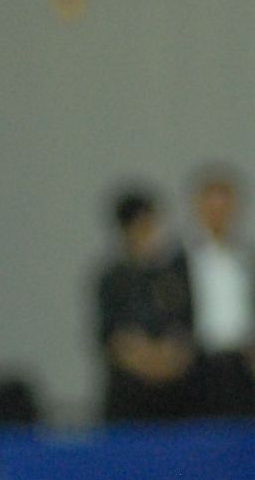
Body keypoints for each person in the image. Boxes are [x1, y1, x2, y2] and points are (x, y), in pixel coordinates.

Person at [94, 184, 197, 422]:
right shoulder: (112, 279)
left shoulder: (176, 273)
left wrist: (169, 357)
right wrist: (144, 359)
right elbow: (109, 335)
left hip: (175, 390)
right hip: (129, 391)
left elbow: (186, 327)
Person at [181, 163, 255, 416]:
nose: (217, 213)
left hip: (243, 363)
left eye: (224, 206)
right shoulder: (181, 260)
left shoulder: (246, 258)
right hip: (197, 363)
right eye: (211, 206)